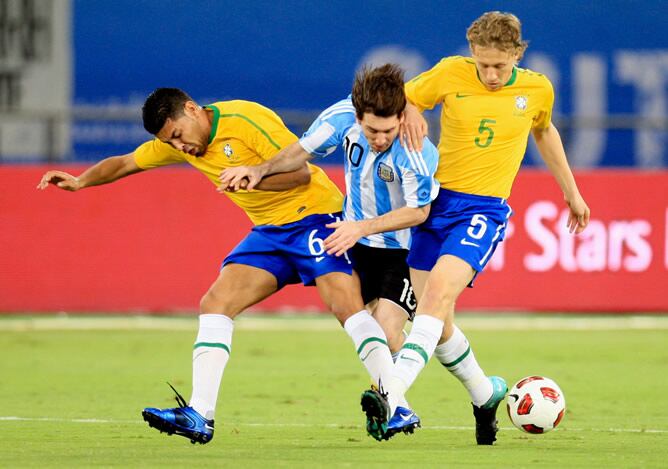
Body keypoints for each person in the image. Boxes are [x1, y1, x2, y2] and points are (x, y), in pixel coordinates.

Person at [37, 88, 398, 445]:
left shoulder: (244, 119)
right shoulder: (179, 142)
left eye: (177, 135)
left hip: (317, 218)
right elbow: (128, 162)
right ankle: (200, 414)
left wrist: (255, 173)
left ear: (192, 110)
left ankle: (396, 404)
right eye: (170, 142)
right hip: (271, 233)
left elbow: (301, 174)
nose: (179, 147)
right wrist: (81, 180)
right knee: (215, 303)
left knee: (346, 306)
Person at [360, 11, 591, 445]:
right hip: (434, 205)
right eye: (482, 64)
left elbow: (544, 132)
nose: (490, 74)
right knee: (440, 319)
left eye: (499, 66)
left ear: (517, 55)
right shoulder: (450, 73)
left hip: (482, 211)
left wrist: (571, 192)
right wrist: (411, 109)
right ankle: (486, 394)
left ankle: (390, 393)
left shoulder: (537, 88)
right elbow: (404, 100)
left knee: (436, 299)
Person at [218, 64, 440, 440]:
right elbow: (301, 152)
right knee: (365, 326)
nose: (381, 138)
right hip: (354, 243)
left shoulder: (417, 150)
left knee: (386, 333)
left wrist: (362, 227)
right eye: (372, 130)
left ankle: (395, 400)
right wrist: (259, 171)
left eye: (388, 130)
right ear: (358, 117)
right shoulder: (340, 118)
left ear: (402, 117)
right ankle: (407, 396)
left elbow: (419, 211)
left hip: (402, 252)